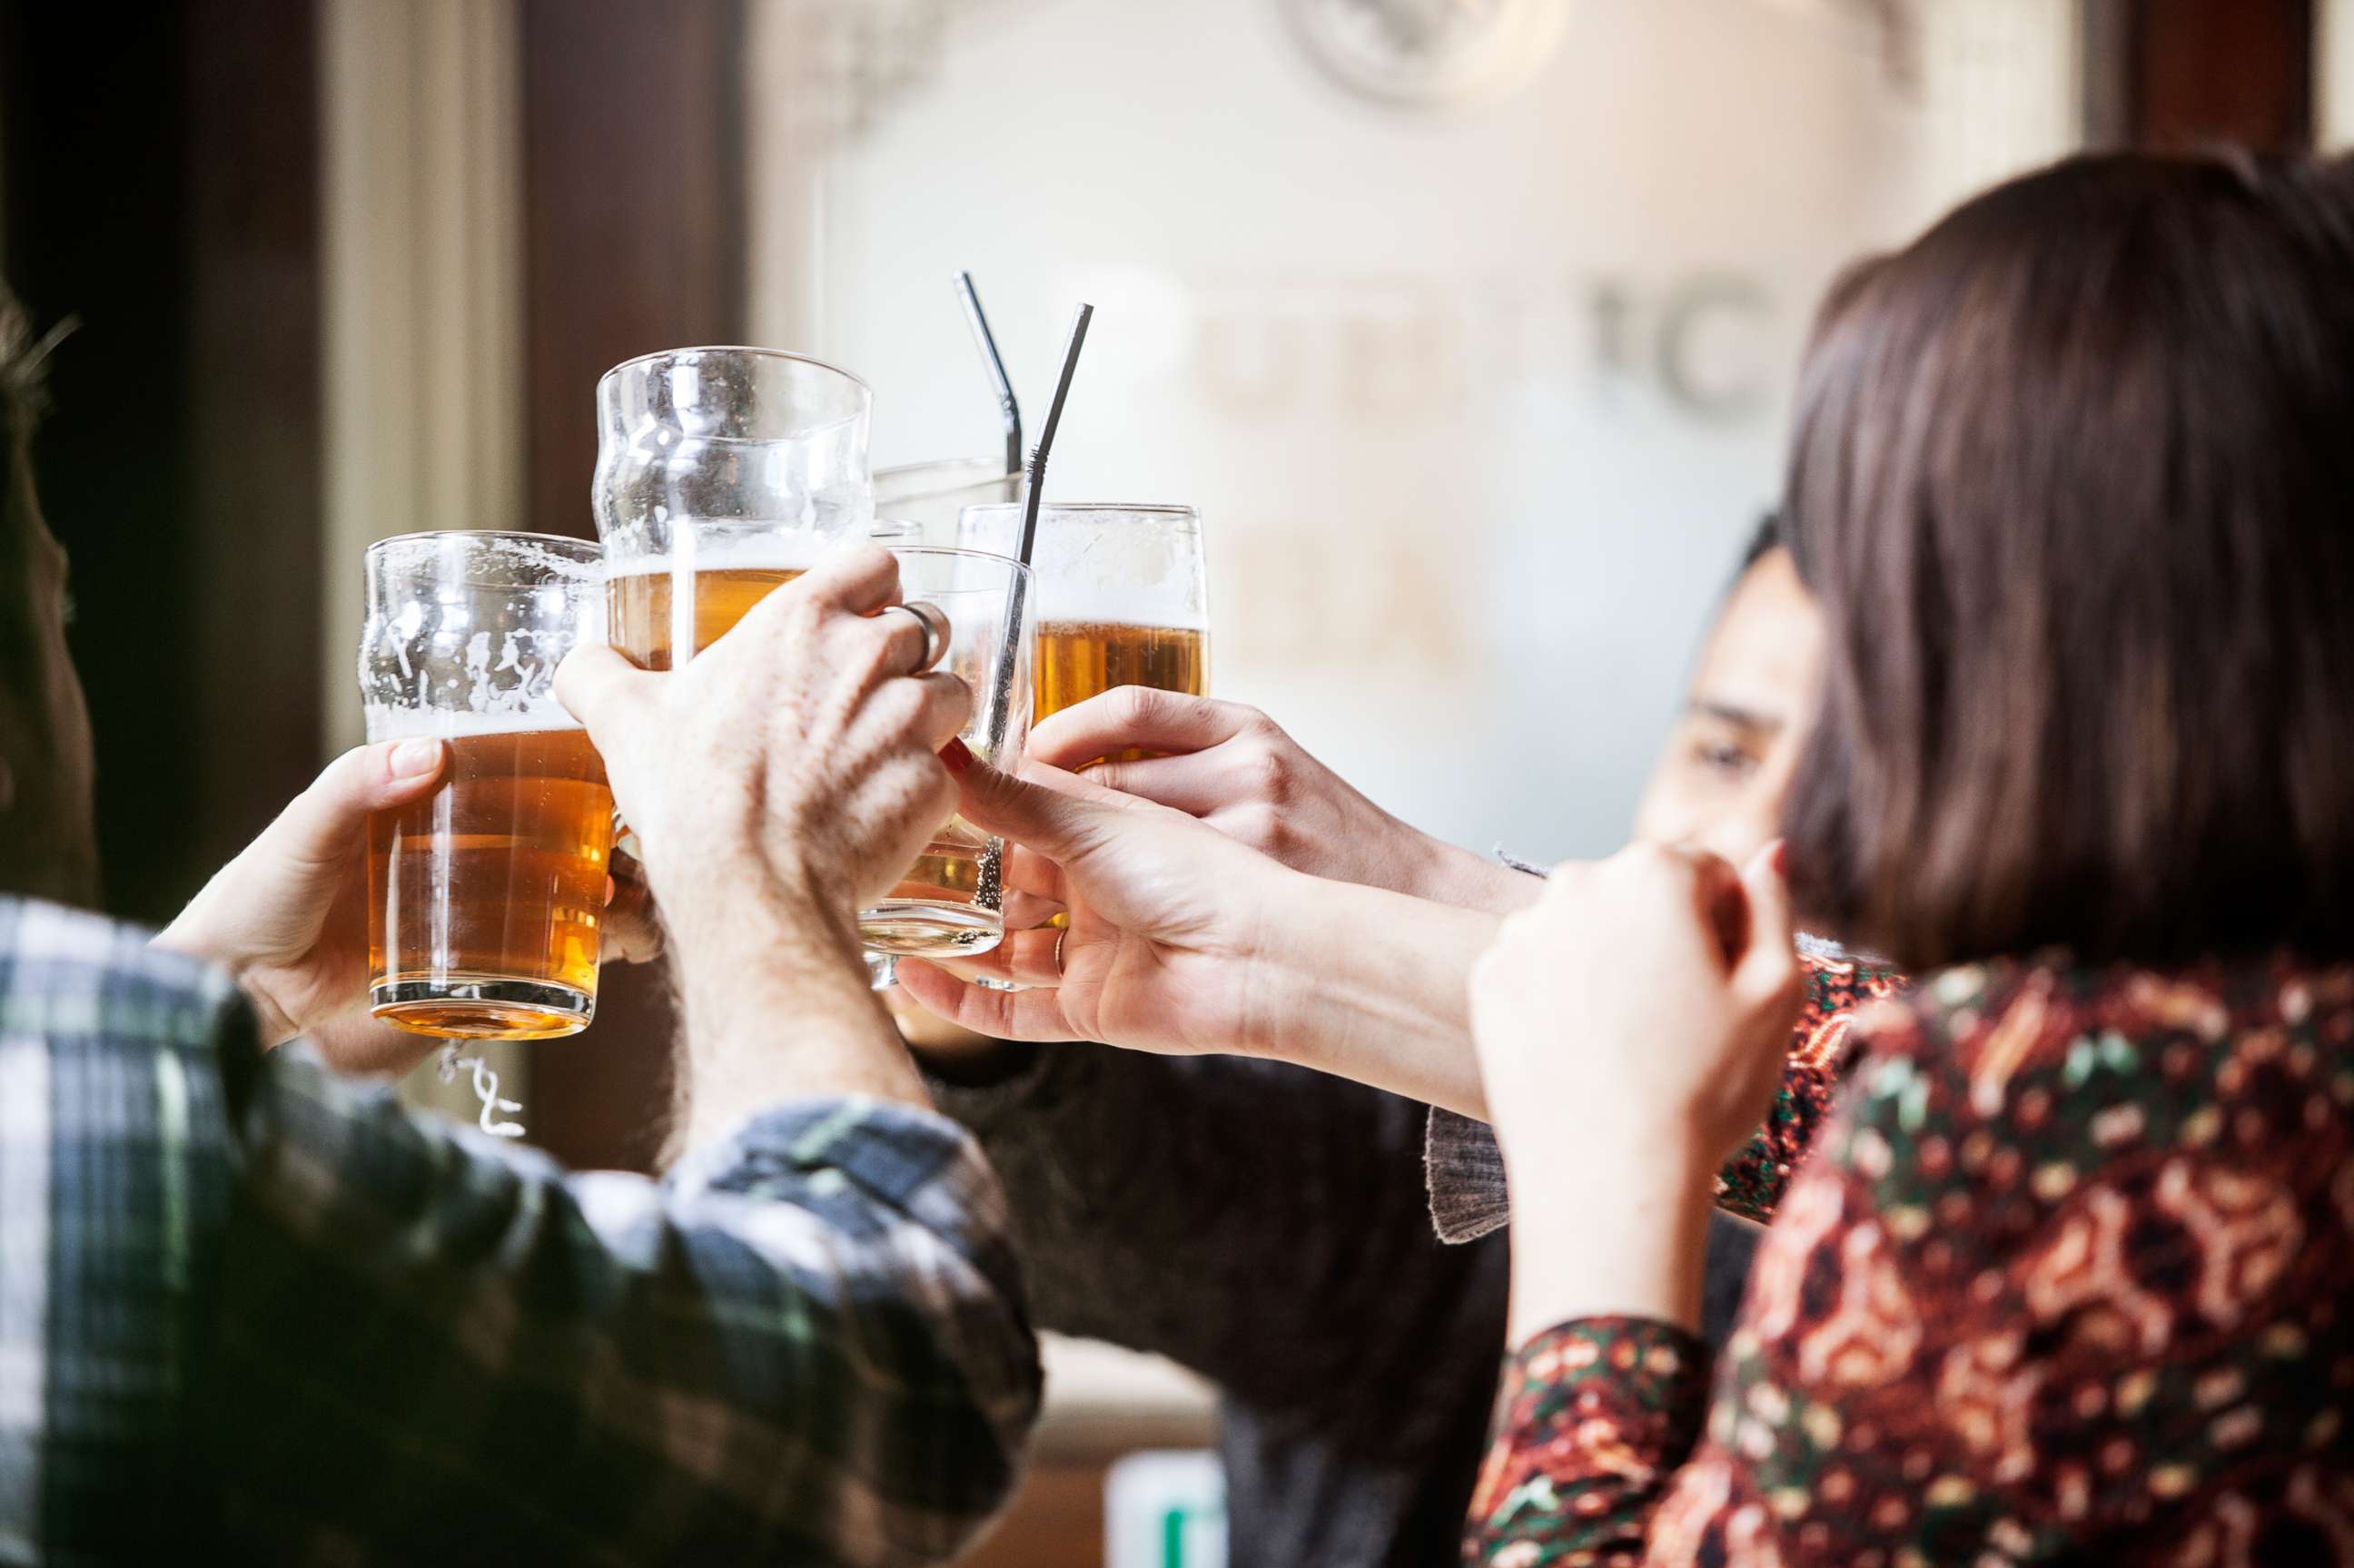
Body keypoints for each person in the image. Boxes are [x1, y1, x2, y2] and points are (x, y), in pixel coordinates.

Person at [0, 286, 1039, 1565]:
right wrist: (753, 853)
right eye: (59, 617)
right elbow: (899, 1382)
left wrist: (236, 1015)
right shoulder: (81, 1105)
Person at [1459, 149, 2354, 1562]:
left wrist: (1606, 1173)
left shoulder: (2011, 1114)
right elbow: (1808, 1048)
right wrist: (1327, 897)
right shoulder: (2270, 1048)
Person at [892, 516, 1897, 1567]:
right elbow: (1146, 1189)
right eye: (1725, 751)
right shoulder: (1430, 1159)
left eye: (1874, 785)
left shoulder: (2007, 1251)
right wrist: (952, 966)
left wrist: (1383, 891)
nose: (1757, 838)